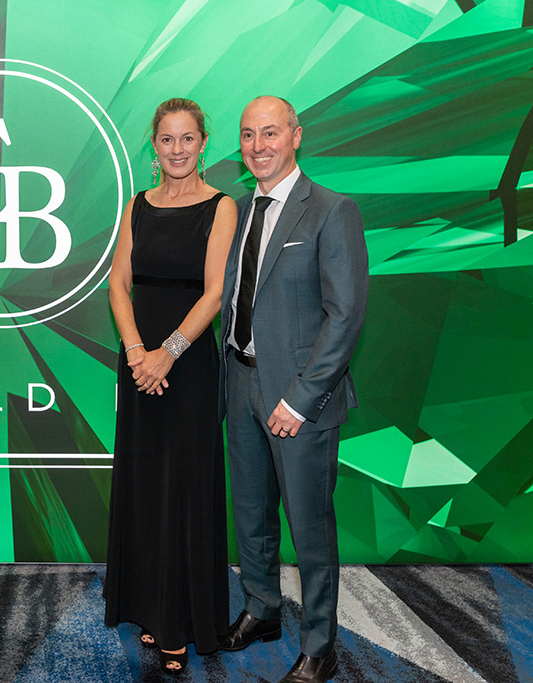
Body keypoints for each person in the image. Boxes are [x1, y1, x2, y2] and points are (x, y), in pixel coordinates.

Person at [218, 96, 368, 683]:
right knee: (251, 514)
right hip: (240, 382)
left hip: (298, 399)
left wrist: (300, 400)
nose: (258, 146)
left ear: (296, 136)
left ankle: (320, 645)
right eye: (248, 134)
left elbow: (346, 317)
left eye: (270, 133)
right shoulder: (237, 211)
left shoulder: (332, 210)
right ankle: (262, 609)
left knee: (310, 526)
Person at [104, 98, 237, 674]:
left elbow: (215, 292)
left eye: (187, 139)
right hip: (139, 364)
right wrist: (138, 353)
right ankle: (147, 606)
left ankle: (179, 619)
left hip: (189, 366)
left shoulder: (222, 207)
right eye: (166, 139)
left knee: (184, 489)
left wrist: (168, 354)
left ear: (203, 143)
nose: (177, 149)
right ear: (153, 146)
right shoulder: (137, 205)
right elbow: (118, 284)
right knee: (145, 486)